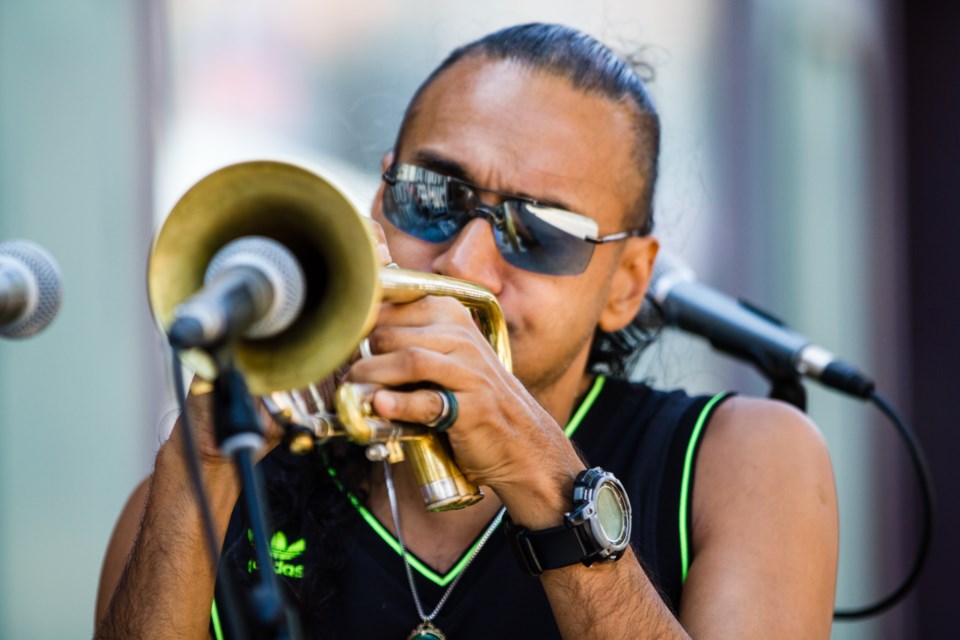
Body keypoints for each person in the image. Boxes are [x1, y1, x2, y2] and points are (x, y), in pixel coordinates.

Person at [95, 23, 838, 639]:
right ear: (378, 201)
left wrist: (544, 479)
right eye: (432, 195)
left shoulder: (744, 460)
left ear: (628, 284)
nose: (465, 261)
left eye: (541, 231)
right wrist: (204, 464)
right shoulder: (213, 472)